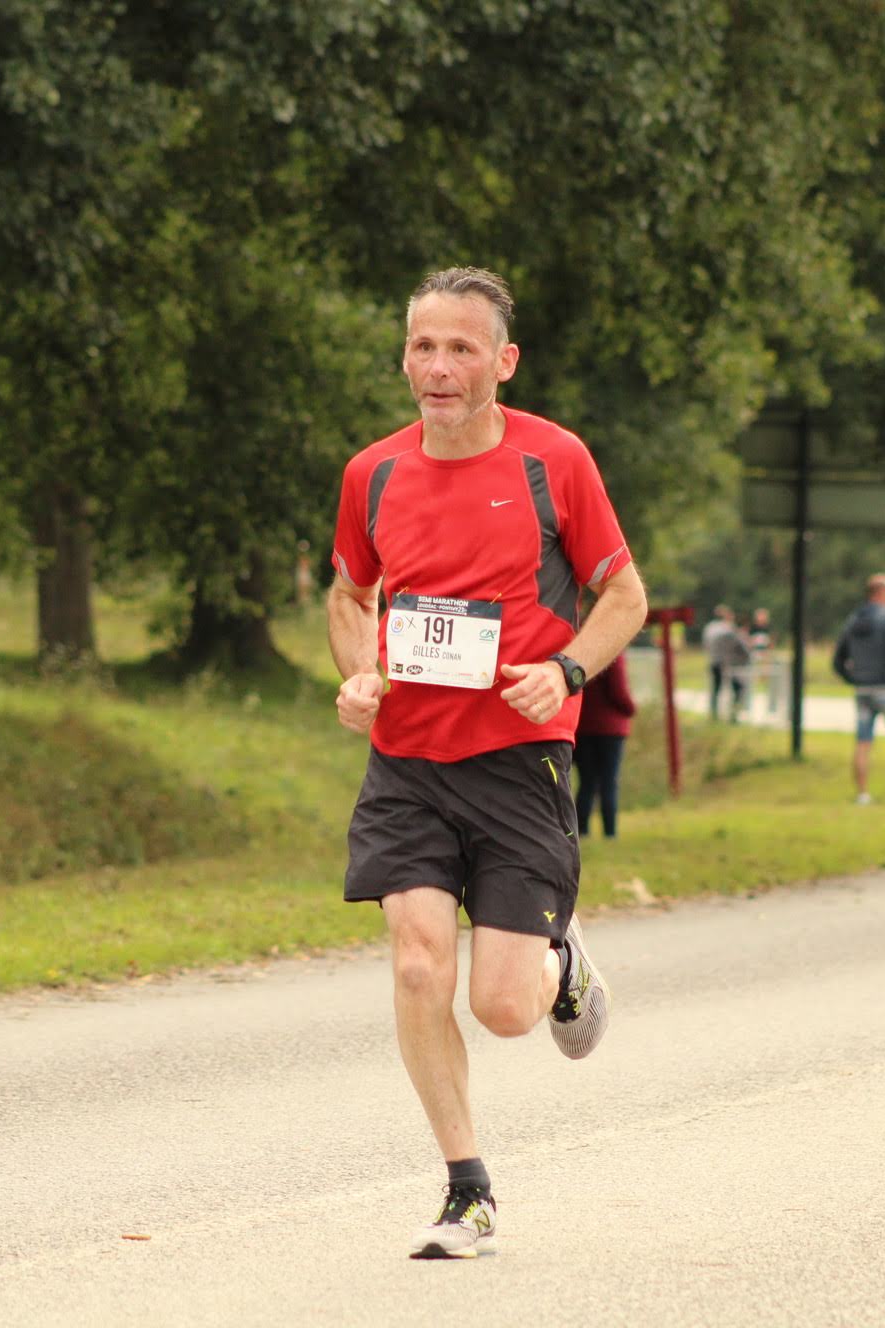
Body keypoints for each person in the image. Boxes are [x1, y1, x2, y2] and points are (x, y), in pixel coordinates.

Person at [327, 266, 648, 1259]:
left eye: (461, 348)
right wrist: (359, 674)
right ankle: (467, 1189)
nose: (439, 366)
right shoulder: (373, 473)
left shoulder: (555, 461)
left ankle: (559, 956)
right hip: (408, 762)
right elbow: (350, 595)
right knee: (418, 961)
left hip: (518, 760)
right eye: (423, 346)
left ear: (503, 362)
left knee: (502, 1007)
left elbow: (624, 596)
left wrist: (566, 670)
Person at [831, 572, 885, 804]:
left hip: (862, 689)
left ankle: (863, 794)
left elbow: (838, 659)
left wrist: (853, 678)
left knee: (863, 741)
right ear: (882, 593)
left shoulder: (854, 619)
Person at [574, 649, 637, 836]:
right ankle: (610, 832)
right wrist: (631, 708)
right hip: (610, 729)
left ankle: (581, 830)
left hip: (582, 726)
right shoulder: (612, 652)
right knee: (608, 781)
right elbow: (619, 691)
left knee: (586, 782)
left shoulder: (578, 652)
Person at [701, 605, 751, 721]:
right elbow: (740, 646)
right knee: (737, 688)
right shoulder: (729, 629)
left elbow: (706, 645)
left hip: (714, 661)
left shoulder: (709, 628)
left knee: (716, 689)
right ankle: (733, 714)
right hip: (730, 664)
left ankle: (714, 714)